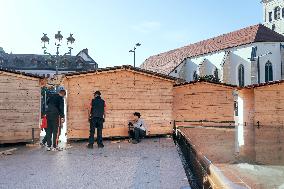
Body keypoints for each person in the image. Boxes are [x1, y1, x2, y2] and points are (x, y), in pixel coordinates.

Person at [46, 86, 66, 151]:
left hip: (48, 114)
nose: (63, 95)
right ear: (62, 93)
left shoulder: (51, 96)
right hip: (55, 115)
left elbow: (47, 103)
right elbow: (61, 108)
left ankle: (48, 146)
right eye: (63, 94)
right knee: (56, 131)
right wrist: (62, 117)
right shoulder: (60, 99)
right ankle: (55, 146)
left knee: (49, 130)